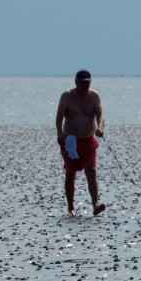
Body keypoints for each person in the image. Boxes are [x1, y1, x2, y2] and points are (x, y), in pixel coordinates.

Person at [55, 69, 107, 216]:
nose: (85, 86)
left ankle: (95, 204)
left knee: (91, 170)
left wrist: (100, 127)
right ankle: (71, 207)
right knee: (70, 174)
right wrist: (59, 133)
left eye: (88, 83)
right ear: (76, 82)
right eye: (83, 83)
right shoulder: (67, 96)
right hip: (71, 141)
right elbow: (59, 118)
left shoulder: (94, 96)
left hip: (89, 140)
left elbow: (100, 115)